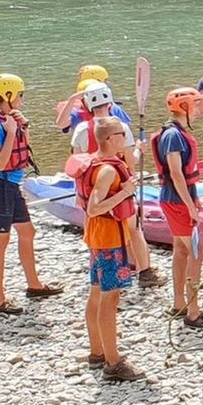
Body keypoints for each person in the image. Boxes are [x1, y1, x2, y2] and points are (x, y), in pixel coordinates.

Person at [0, 74, 60, 315]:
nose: (22, 100)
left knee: (28, 232)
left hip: (11, 185)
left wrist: (22, 127)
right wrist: (10, 132)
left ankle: (34, 285)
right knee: (1, 241)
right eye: (21, 95)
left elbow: (22, 150)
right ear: (9, 96)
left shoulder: (9, 119)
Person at [68, 82, 162, 287]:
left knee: (96, 231)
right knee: (134, 230)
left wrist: (79, 193)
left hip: (91, 190)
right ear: (109, 101)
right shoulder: (120, 127)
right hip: (118, 189)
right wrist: (139, 149)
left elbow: (78, 164)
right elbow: (130, 161)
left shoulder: (81, 129)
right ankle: (145, 272)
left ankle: (99, 272)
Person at [78, 118, 146, 382]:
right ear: (109, 139)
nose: (124, 138)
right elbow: (94, 207)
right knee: (110, 297)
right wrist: (126, 192)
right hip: (108, 239)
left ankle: (97, 351)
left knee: (96, 292)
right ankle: (113, 362)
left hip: (98, 237)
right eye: (121, 134)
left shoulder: (93, 164)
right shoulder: (107, 170)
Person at [151, 87, 203, 328]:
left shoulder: (174, 133)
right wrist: (190, 206)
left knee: (181, 249)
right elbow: (176, 173)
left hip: (177, 197)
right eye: (195, 105)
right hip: (176, 200)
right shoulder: (173, 136)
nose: (198, 110)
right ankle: (193, 311)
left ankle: (179, 303)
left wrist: (193, 198)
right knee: (199, 252)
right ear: (184, 106)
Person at [55, 65, 132, 140]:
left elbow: (126, 130)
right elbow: (61, 124)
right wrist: (72, 100)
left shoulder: (113, 107)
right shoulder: (75, 111)